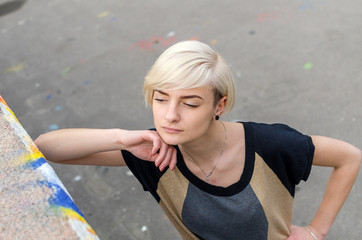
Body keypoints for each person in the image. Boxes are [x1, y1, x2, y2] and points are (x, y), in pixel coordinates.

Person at [34, 41, 361, 240]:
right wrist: (120, 137)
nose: (170, 116)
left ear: (219, 105)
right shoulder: (152, 154)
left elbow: (349, 157)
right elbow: (44, 148)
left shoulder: (269, 144)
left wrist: (317, 230)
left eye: (189, 103)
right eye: (160, 99)